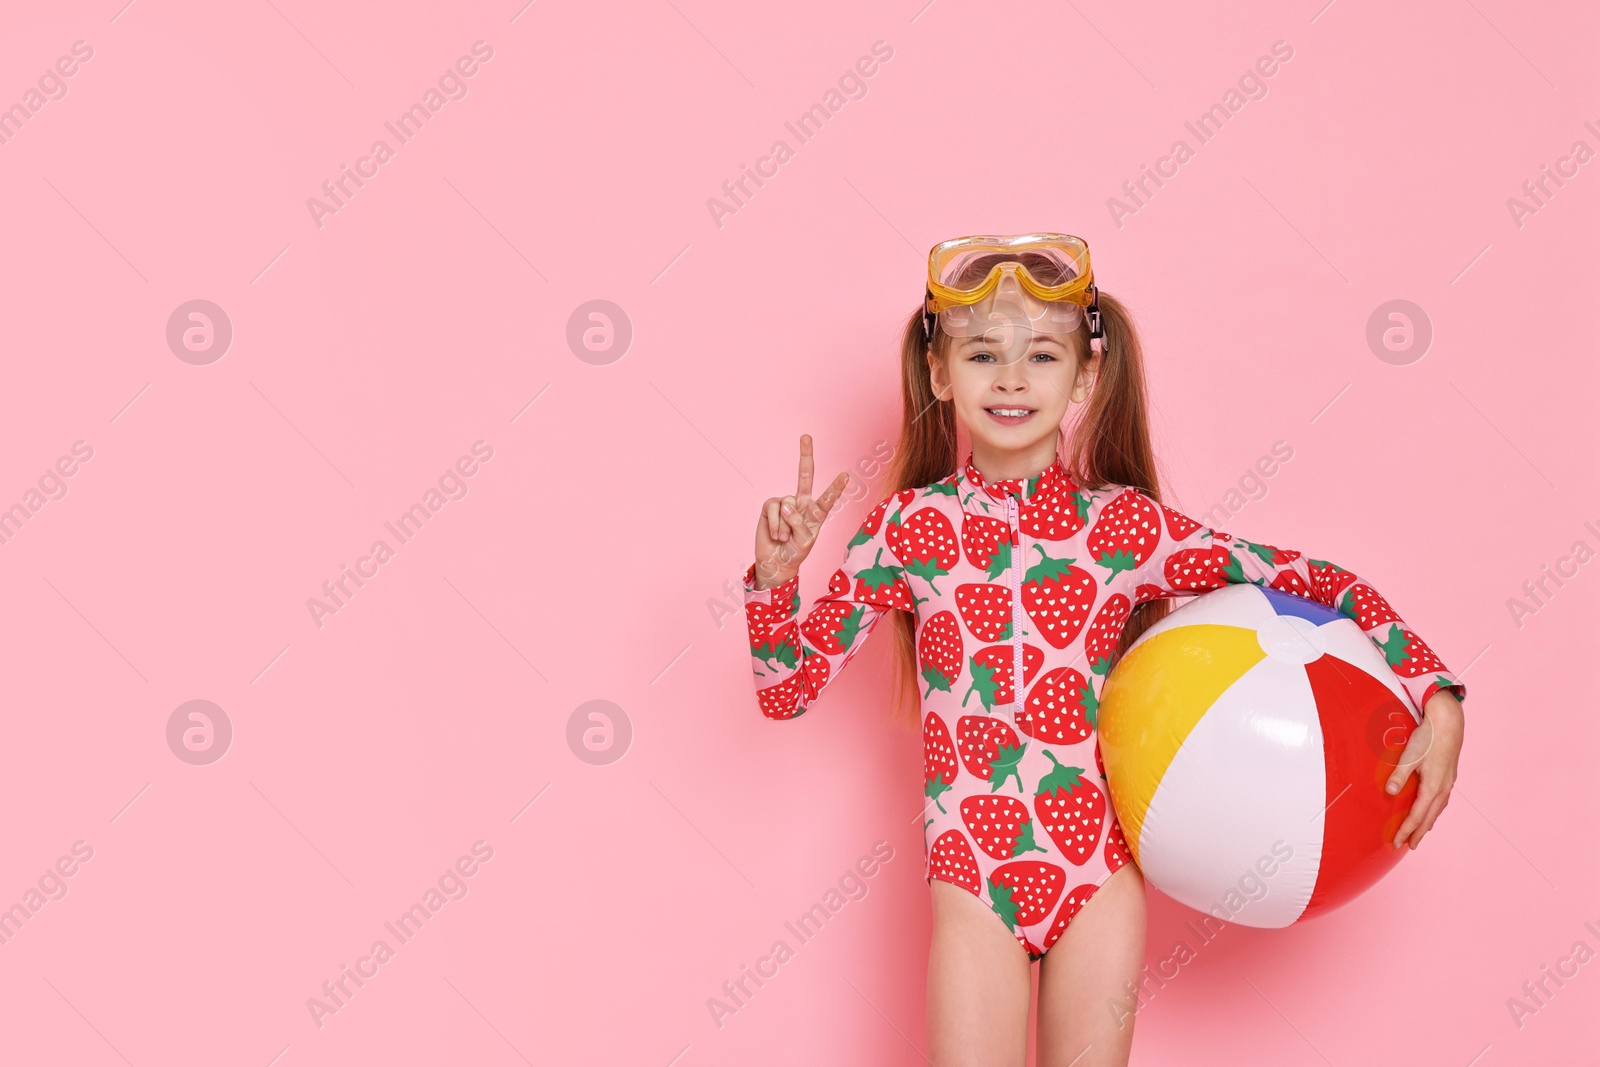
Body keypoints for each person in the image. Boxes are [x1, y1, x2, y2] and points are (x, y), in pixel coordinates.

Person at [740, 233, 1467, 1067]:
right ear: (941, 375)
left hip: (1098, 877)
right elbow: (785, 690)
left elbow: (1311, 577)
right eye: (983, 353)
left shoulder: (1125, 526)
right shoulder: (908, 529)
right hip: (973, 880)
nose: (1012, 378)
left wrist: (1434, 686)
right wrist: (774, 580)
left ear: (1084, 377)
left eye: (1041, 355)